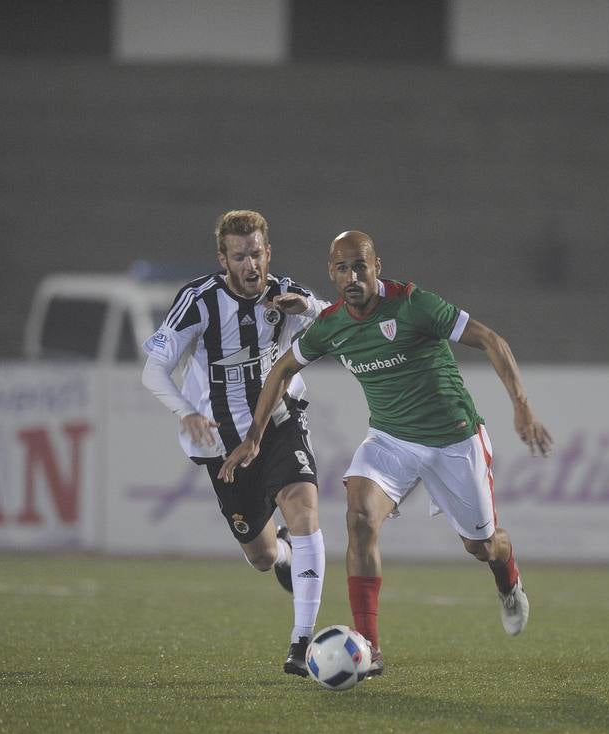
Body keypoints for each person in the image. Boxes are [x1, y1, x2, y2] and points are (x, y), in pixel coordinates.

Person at [219, 230, 554, 677]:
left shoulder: (414, 305)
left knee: (481, 544)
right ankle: (369, 650)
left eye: (361, 265)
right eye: (343, 268)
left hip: (452, 439)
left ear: (377, 265)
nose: (353, 275)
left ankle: (508, 577)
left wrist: (523, 407)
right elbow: (282, 369)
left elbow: (493, 340)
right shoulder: (333, 324)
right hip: (391, 440)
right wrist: (255, 436)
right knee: (358, 517)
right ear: (332, 274)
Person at [141, 209, 330, 678]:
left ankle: (301, 642)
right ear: (222, 258)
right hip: (224, 447)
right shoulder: (198, 301)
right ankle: (284, 554)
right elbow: (153, 370)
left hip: (282, 423)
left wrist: (307, 308)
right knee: (262, 557)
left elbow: (339, 318)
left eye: (257, 254)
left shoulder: (286, 294)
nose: (251, 266)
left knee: (304, 508)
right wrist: (186, 412)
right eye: (240, 256)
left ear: (269, 253)